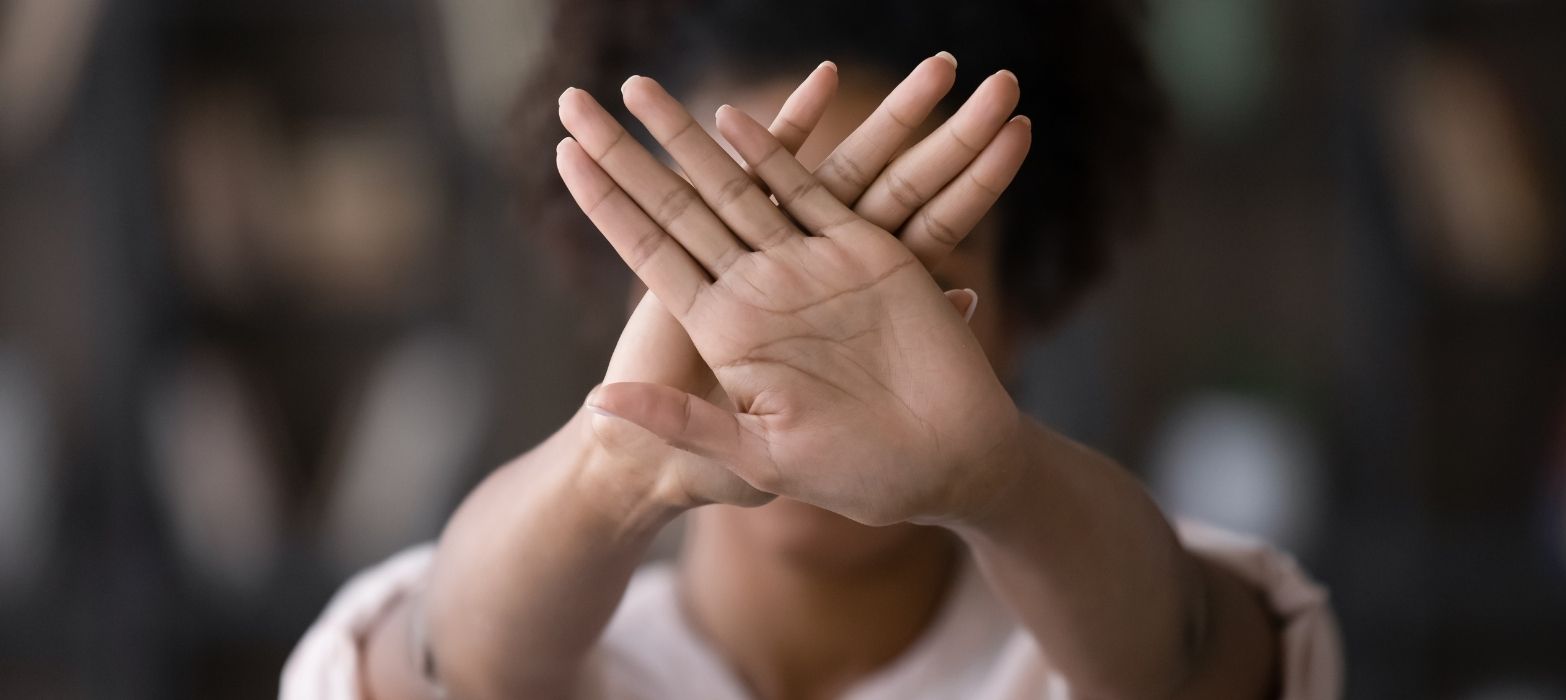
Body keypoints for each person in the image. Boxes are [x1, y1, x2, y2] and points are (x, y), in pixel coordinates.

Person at [284, 1, 1341, 698]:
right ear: (629, 290)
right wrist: (612, 466)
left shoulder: (1090, 625)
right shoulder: (566, 647)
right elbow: (441, 662)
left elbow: (1188, 657)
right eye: (733, 253)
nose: (801, 356)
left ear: (1025, 303)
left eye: (914, 274)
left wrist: (1003, 480)